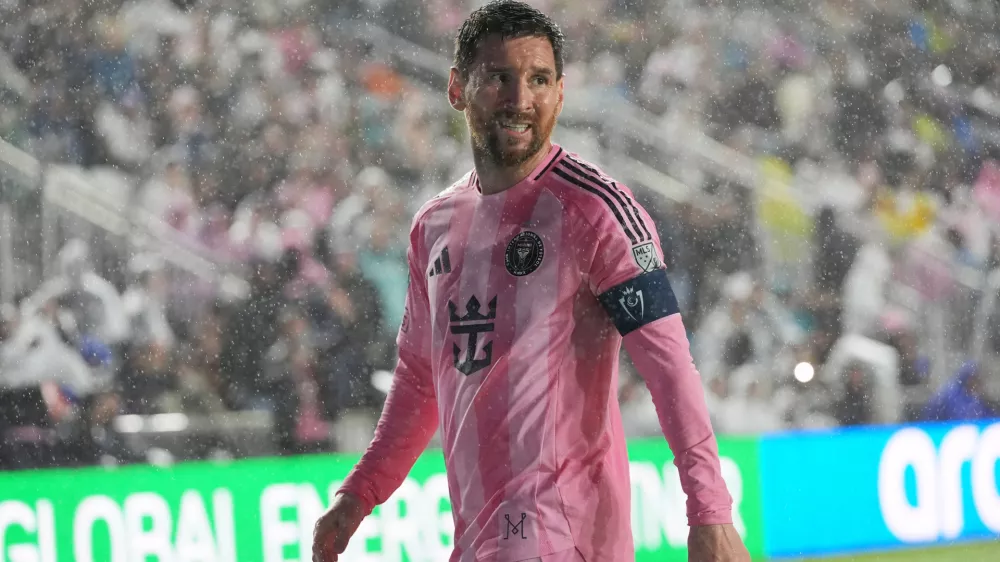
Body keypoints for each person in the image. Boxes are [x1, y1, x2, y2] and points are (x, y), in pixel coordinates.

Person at [313, 2, 749, 561]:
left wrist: (709, 510)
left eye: (539, 79)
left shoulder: (598, 211)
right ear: (456, 88)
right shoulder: (433, 227)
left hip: (568, 541)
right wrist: (359, 495)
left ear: (561, 94)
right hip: (478, 543)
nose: (521, 99)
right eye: (499, 78)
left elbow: (669, 368)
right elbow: (422, 380)